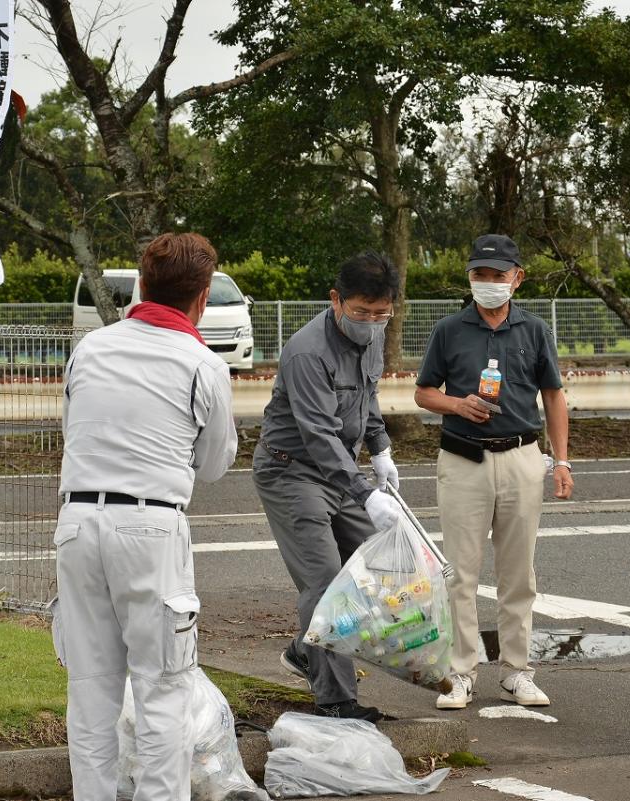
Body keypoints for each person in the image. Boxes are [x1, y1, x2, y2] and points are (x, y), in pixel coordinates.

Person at [52, 233, 237, 801]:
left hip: (78, 524)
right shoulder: (203, 364)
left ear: (142, 284)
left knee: (90, 691)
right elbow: (213, 465)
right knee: (162, 690)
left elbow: (70, 429)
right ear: (202, 298)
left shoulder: (91, 348)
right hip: (151, 527)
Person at [414, 233, 573, 711]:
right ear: (469, 278)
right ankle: (462, 672)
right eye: (479, 275)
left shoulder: (534, 330)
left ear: (516, 279)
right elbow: (423, 393)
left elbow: (553, 396)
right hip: (463, 458)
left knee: (518, 572)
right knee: (459, 573)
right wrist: (457, 403)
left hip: (523, 456)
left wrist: (561, 460)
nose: (488, 283)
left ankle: (517, 671)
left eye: (497, 276)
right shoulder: (449, 329)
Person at [253, 251, 402, 723]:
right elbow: (318, 434)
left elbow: (367, 397)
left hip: (341, 469)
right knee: (324, 583)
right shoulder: (306, 351)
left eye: (382, 313)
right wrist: (364, 494)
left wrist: (380, 448)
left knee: (376, 572)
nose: (372, 322)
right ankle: (337, 701)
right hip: (292, 471)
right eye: (362, 312)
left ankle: (304, 650)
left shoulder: (373, 338)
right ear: (336, 300)